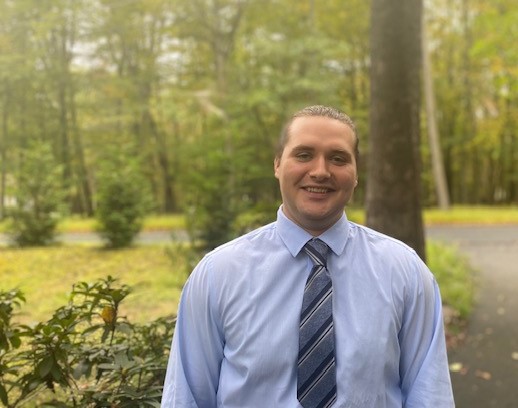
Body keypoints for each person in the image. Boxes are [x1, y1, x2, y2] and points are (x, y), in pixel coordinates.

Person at [161, 105, 455, 407]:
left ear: (355, 174)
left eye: (338, 158)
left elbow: (430, 396)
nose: (320, 171)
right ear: (277, 164)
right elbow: (187, 398)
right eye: (303, 154)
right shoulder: (217, 274)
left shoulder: (404, 272)